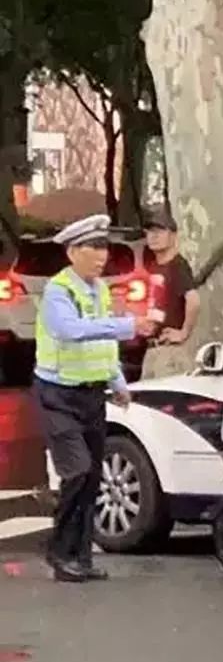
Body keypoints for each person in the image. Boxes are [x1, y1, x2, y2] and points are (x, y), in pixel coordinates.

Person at [34, 215, 156, 582]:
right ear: (72, 252)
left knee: (91, 478)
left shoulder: (99, 289)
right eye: (93, 248)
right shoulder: (58, 291)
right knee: (77, 471)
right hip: (58, 394)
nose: (101, 256)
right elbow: (69, 331)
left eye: (104, 248)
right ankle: (60, 552)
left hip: (92, 394)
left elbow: (102, 345)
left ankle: (81, 556)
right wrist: (128, 325)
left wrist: (117, 381)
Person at [141, 206, 200, 379]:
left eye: (160, 231)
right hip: (152, 349)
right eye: (150, 232)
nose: (153, 236)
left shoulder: (177, 265)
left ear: (173, 236)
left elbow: (194, 300)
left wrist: (184, 332)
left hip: (170, 352)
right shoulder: (154, 267)